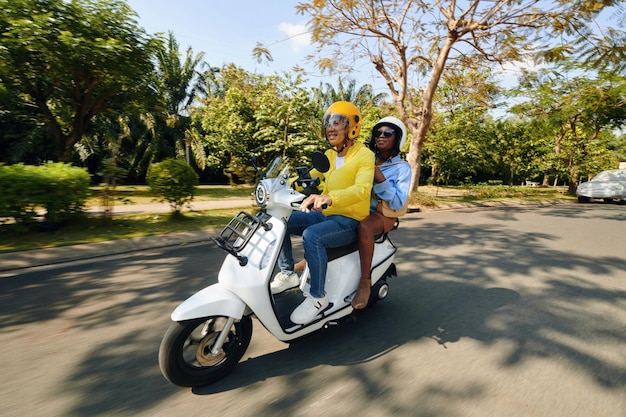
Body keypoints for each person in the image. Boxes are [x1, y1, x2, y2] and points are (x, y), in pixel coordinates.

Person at [270, 101, 375, 325]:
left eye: (338, 122)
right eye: (328, 122)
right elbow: (306, 178)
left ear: (352, 127)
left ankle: (318, 297)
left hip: (349, 219)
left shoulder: (364, 155)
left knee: (312, 236)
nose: (331, 127)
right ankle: (288, 274)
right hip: (326, 214)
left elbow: (362, 189)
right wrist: (276, 186)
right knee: (281, 220)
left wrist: (330, 197)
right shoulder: (328, 155)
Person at [351, 117, 412, 309]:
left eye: (387, 133)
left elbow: (398, 201)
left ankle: (365, 282)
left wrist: (379, 177)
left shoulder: (402, 168)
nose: (381, 137)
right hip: (358, 207)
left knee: (365, 228)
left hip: (383, 214)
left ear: (397, 139)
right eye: (378, 133)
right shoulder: (366, 158)